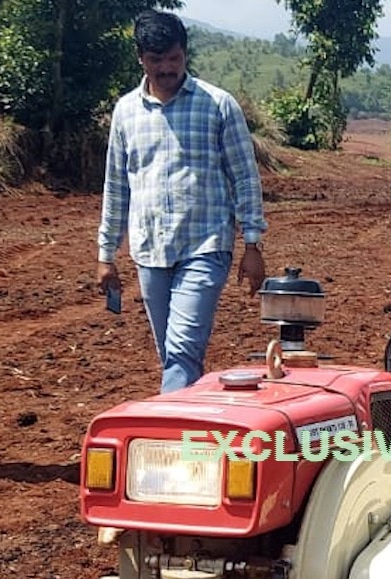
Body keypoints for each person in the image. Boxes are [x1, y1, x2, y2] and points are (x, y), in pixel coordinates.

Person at [97, 10, 267, 393]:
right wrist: (106, 254)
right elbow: (116, 185)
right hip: (150, 250)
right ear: (141, 57)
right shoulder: (125, 112)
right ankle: (194, 421)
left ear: (184, 54)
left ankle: (169, 437)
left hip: (205, 246)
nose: (167, 68)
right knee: (171, 352)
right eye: (157, 60)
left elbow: (245, 177)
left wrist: (252, 244)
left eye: (174, 59)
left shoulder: (218, 105)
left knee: (181, 349)